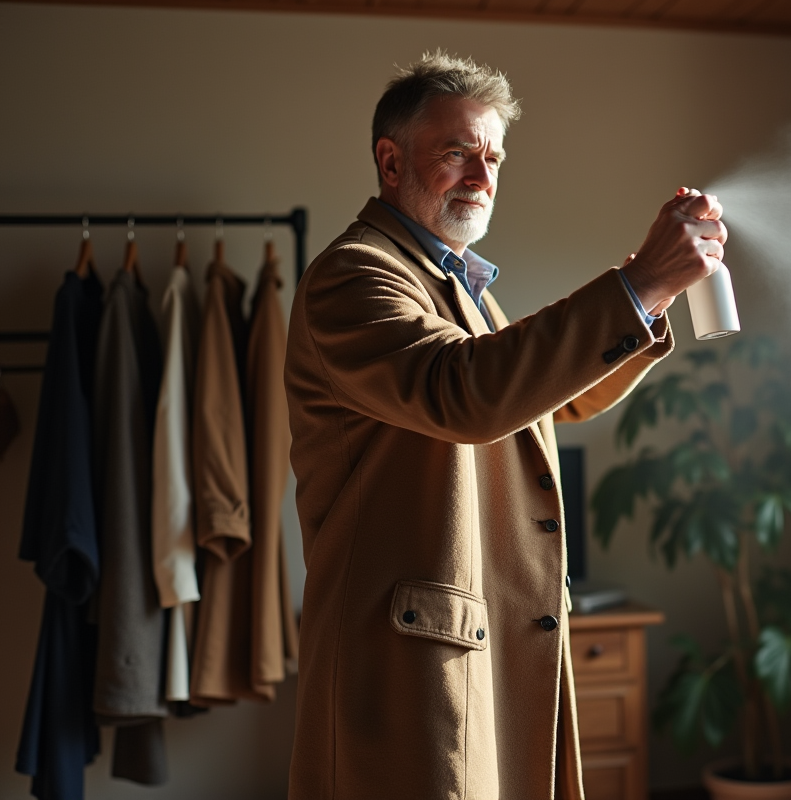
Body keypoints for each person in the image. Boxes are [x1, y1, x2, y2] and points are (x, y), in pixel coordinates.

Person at [283, 52, 726, 800]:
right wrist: (637, 283)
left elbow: (546, 403)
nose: (484, 179)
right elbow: (465, 393)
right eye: (458, 154)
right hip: (404, 665)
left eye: (494, 158)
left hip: (473, 641)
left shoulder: (459, 286)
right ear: (391, 162)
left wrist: (651, 296)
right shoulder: (354, 277)